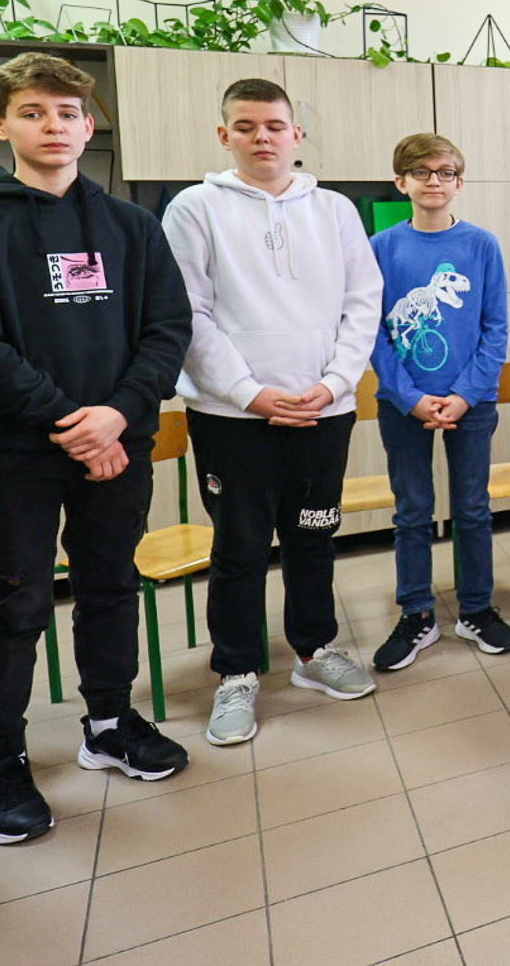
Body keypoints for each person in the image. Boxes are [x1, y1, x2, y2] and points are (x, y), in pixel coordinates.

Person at [0, 53, 193, 846]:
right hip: (8, 454)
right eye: (34, 111)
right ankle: (0, 759)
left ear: (88, 126)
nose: (54, 125)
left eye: (69, 113)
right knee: (15, 602)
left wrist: (116, 415)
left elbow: (167, 329)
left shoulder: (131, 227)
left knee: (111, 584)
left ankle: (109, 722)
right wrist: (72, 421)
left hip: (117, 442)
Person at [163, 78, 384, 747]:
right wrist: (247, 392)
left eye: (274, 125)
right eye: (246, 125)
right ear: (224, 135)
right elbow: (188, 312)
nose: (262, 137)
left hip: (324, 409)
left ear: (296, 135)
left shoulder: (335, 210)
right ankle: (236, 672)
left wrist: (336, 381)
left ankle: (315, 650)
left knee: (314, 535)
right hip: (233, 417)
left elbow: (363, 301)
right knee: (240, 547)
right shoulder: (194, 208)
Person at [368, 133, 510, 670]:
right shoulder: (380, 248)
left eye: (446, 172)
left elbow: (495, 329)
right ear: (401, 182)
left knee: (473, 509)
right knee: (412, 511)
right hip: (402, 405)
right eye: (422, 172)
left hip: (471, 404)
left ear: (459, 182)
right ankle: (417, 614)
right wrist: (409, 397)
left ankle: (476, 609)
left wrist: (464, 395)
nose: (435, 181)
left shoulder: (482, 245)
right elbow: (371, 332)